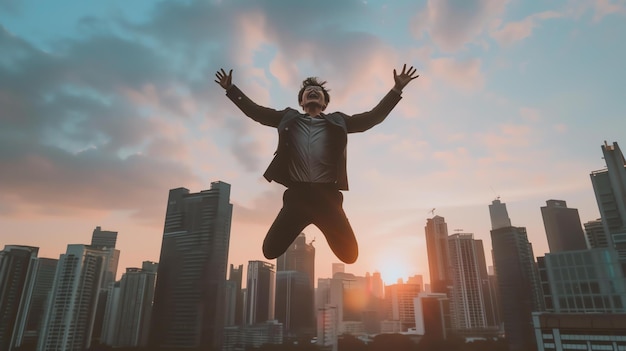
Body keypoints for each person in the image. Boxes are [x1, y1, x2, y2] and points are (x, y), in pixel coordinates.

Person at [215, 65, 419, 263]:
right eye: (308, 91)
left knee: (350, 256)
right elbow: (256, 112)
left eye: (318, 91)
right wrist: (231, 90)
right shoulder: (288, 118)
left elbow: (371, 118)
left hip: (327, 199)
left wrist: (396, 89)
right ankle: (303, 220)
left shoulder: (338, 121)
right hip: (298, 198)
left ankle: (320, 220)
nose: (313, 91)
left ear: (324, 103)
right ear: (301, 102)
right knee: (270, 250)